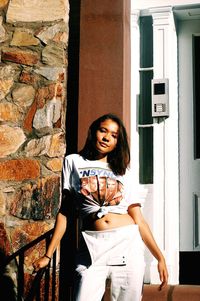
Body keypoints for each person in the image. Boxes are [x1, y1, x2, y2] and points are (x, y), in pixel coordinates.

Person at [33, 113, 168, 301]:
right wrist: (48, 255)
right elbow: (65, 214)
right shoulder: (73, 161)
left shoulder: (124, 172)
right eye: (103, 131)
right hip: (91, 246)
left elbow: (139, 219)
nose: (106, 138)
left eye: (113, 135)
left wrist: (159, 257)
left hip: (126, 245)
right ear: (93, 132)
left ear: (117, 143)